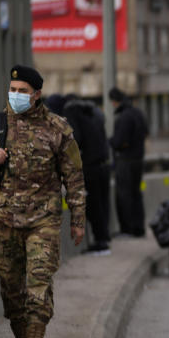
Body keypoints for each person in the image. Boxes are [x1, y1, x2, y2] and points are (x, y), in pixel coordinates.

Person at [0, 65, 86, 338]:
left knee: (39, 280)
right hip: (4, 219)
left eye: (22, 91)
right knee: (10, 286)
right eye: (13, 89)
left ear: (37, 94)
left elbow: (75, 178)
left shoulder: (58, 128)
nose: (16, 95)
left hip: (44, 220)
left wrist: (78, 219)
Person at [62, 94, 111, 255]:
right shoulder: (93, 113)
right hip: (103, 164)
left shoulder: (71, 114)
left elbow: (76, 140)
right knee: (102, 204)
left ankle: (101, 243)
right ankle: (104, 238)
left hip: (89, 166)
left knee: (92, 205)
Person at [108, 87, 148, 237]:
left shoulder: (124, 117)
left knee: (124, 195)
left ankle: (127, 229)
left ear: (115, 101)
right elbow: (145, 133)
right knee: (136, 194)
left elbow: (119, 141)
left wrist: (110, 141)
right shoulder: (138, 113)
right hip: (139, 160)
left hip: (125, 161)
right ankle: (139, 228)